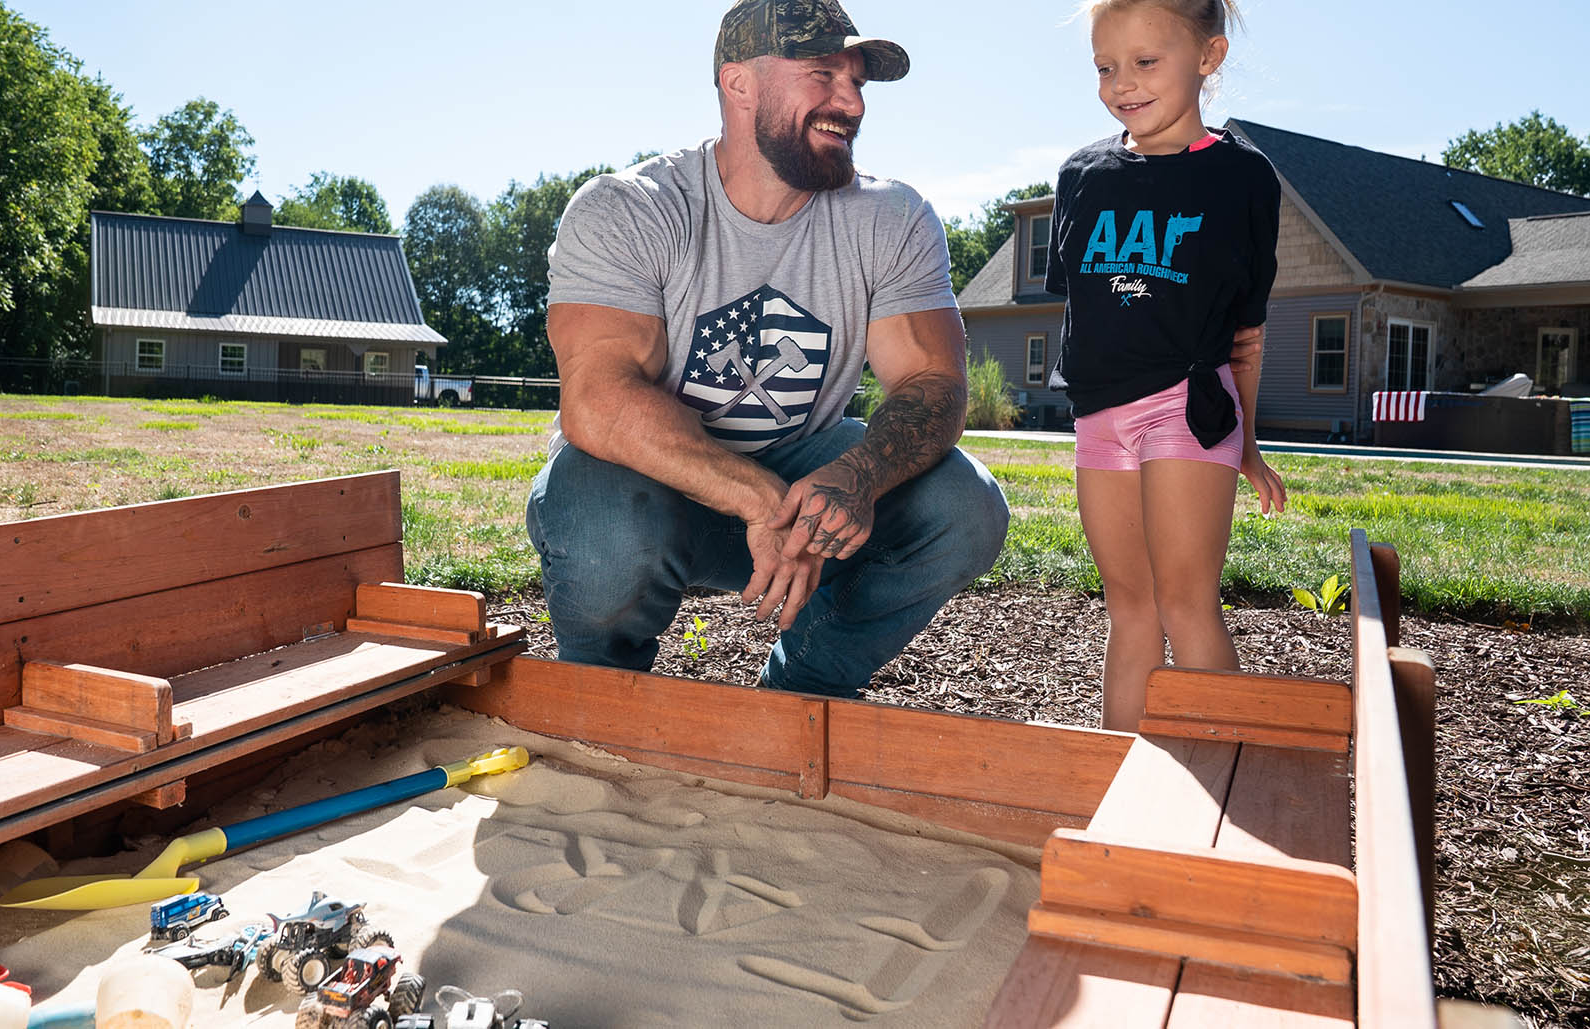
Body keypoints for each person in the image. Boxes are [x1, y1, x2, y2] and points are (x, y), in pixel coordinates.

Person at [525, 0, 1010, 699]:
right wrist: (757, 498)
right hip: (646, 484)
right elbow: (599, 404)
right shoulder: (627, 209)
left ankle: (802, 692)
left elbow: (934, 382)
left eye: (858, 83)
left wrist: (860, 476)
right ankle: (604, 694)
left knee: (967, 504)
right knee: (606, 523)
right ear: (739, 84)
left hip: (803, 472)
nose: (851, 104)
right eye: (822, 74)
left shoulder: (894, 218)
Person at [1044, 0, 1287, 731]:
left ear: (1207, 58)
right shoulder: (1081, 175)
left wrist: (1246, 442)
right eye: (1106, 66)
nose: (1124, 82)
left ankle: (1230, 778)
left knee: (1186, 602)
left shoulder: (1242, 177)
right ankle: (1122, 784)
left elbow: (1247, 332)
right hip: (1099, 419)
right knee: (1131, 608)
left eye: (1146, 62)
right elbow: (1082, 309)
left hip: (1189, 406)